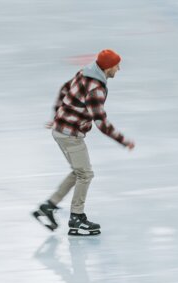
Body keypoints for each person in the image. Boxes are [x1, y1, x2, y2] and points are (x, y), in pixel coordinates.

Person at [33, 49, 135, 236]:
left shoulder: (84, 72)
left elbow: (64, 89)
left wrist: (56, 115)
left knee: (78, 172)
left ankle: (48, 207)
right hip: (70, 135)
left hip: (61, 130)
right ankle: (77, 218)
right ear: (107, 67)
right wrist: (123, 141)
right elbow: (101, 123)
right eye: (116, 65)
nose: (118, 69)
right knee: (86, 174)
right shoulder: (96, 89)